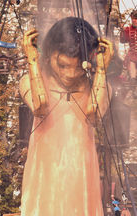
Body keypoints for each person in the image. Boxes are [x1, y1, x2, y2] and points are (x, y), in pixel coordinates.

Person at [19, 17, 114, 216]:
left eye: (79, 66)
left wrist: (102, 70)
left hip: (81, 176)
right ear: (47, 55)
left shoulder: (99, 86)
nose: (70, 73)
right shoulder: (30, 80)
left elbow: (94, 114)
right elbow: (40, 106)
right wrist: (33, 61)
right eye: (62, 66)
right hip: (46, 176)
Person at [120, 10, 137, 98]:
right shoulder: (128, 29)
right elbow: (122, 41)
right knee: (131, 66)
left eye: (136, 18)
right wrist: (122, 31)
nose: (134, 20)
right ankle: (133, 90)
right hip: (133, 56)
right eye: (133, 18)